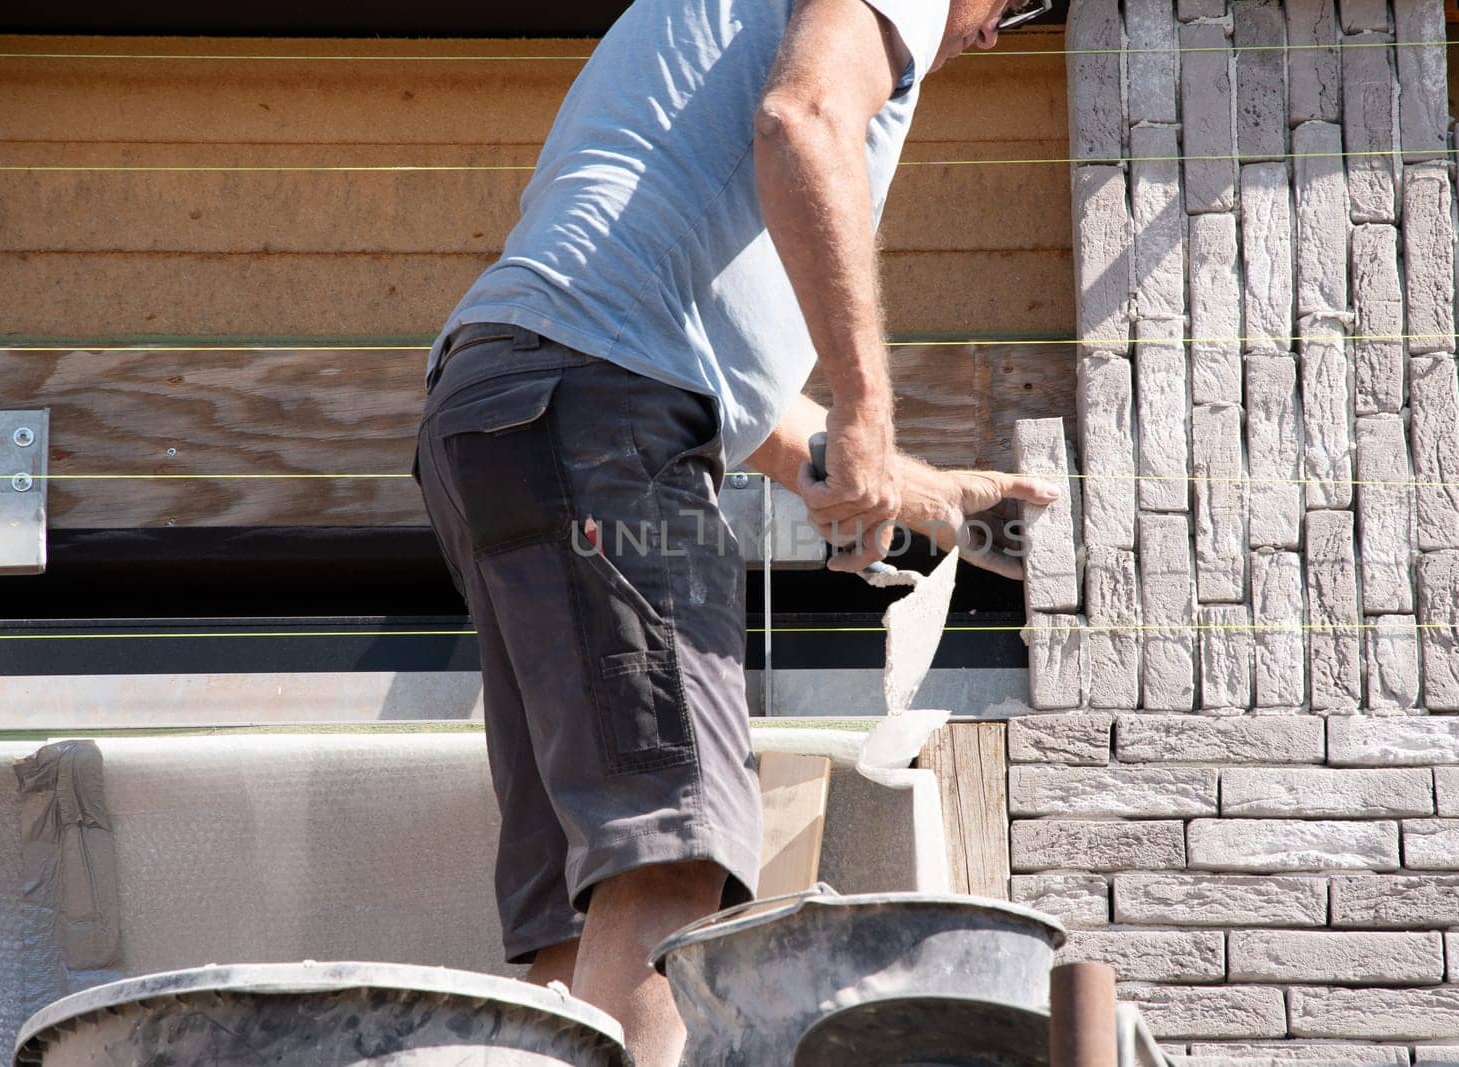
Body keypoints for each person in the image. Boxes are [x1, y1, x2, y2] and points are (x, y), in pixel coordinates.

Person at [413, 0, 1058, 1061]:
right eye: (1018, 3)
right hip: (595, 409)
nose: (998, 31)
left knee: (587, 905)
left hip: (504, 409)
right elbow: (801, 120)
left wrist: (908, 489)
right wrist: (864, 405)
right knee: (672, 851)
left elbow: (728, 390)